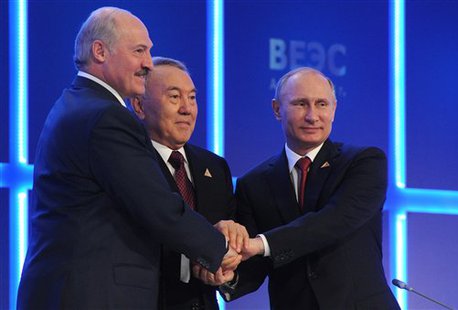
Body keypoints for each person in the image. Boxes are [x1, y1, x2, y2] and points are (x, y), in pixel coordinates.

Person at [17, 7, 238, 309]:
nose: (148, 63)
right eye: (139, 51)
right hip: (91, 296)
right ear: (100, 51)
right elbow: (157, 206)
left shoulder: (76, 103)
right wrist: (221, 250)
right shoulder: (105, 116)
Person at [221, 67, 401, 309]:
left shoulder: (364, 162)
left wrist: (262, 244)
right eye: (301, 104)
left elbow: (334, 220)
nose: (313, 116)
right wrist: (227, 272)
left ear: (334, 109)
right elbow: (253, 265)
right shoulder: (253, 184)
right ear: (277, 109)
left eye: (322, 104)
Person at [130, 57, 244, 310]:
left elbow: (230, 257)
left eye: (192, 98)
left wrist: (226, 271)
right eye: (174, 97)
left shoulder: (215, 166)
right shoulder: (128, 165)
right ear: (139, 106)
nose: (187, 109)